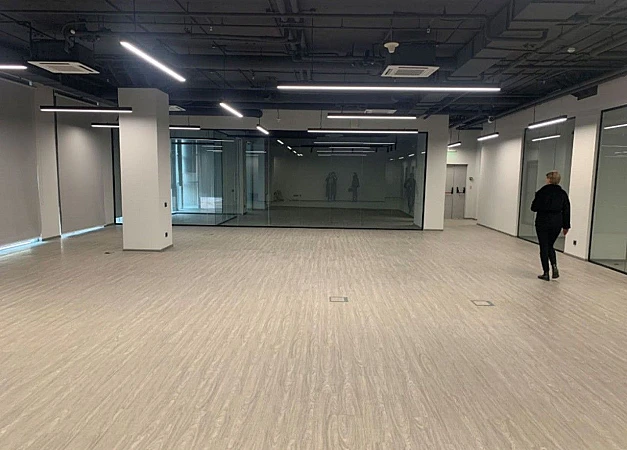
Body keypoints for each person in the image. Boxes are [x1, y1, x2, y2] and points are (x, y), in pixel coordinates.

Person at [531, 170, 571, 281]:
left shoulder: (542, 192)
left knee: (544, 246)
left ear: (549, 179)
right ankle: (554, 265)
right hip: (557, 222)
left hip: (543, 221)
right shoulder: (562, 194)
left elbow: (533, 207)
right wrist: (566, 226)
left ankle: (546, 272)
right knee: (550, 245)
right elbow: (566, 210)